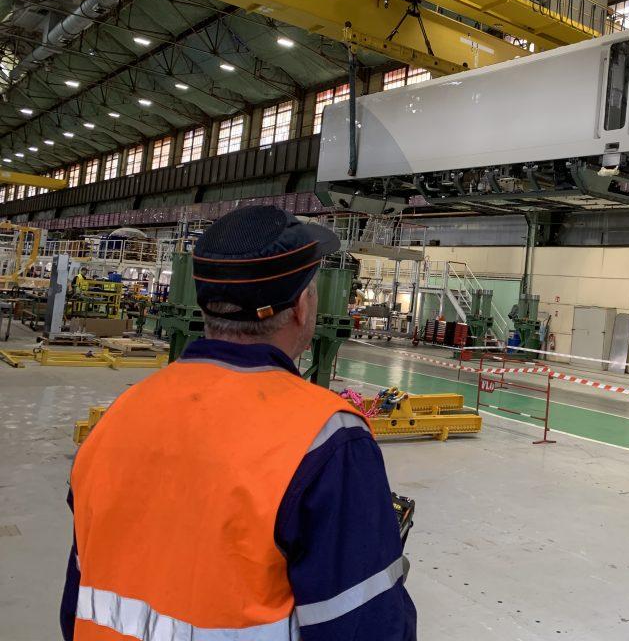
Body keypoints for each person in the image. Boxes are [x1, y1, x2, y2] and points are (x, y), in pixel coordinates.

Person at [61, 205, 416, 640]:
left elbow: (77, 601)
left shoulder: (120, 417)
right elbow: (367, 629)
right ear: (303, 306)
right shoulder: (328, 444)